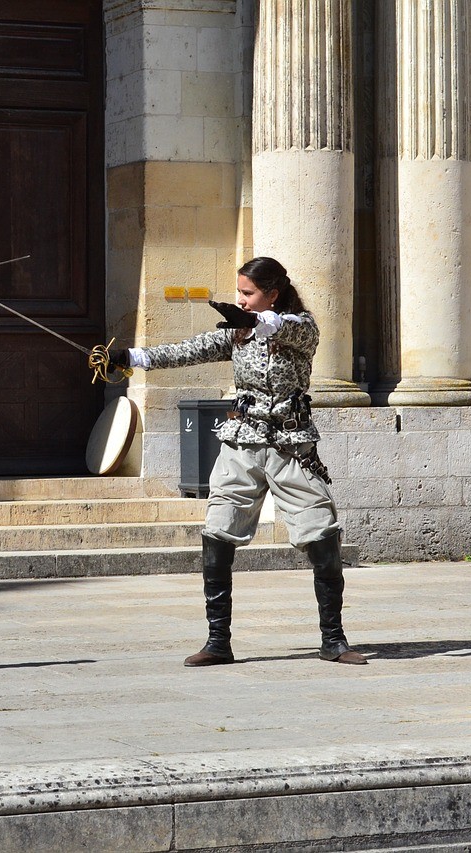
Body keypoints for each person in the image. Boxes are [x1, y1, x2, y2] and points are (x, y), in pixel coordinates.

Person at [109, 256, 366, 667]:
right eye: (240, 293)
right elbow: (187, 350)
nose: (241, 301)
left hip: (291, 446)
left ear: (272, 293)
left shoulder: (302, 326)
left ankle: (333, 640)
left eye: (248, 294)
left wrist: (265, 321)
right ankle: (217, 642)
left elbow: (290, 329)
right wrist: (129, 357)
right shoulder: (238, 331)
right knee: (218, 530)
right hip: (242, 443)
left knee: (320, 532)